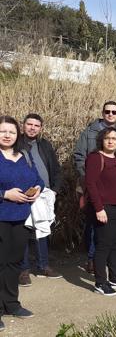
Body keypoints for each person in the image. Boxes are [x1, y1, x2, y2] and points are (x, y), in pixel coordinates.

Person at [74, 101, 116, 273]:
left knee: (111, 229)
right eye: (107, 111)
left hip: (115, 187)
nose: (111, 114)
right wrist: (88, 177)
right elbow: (79, 155)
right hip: (95, 183)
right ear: (103, 112)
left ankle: (111, 260)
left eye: (114, 112)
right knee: (96, 223)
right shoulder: (90, 131)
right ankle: (93, 259)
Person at [0, 115, 45, 328]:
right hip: (1, 217)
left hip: (21, 218)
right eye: (3, 131)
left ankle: (12, 304)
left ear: (17, 134)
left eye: (11, 131)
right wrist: (4, 194)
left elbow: (39, 180)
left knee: (15, 262)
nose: (7, 135)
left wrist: (37, 190)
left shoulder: (24, 155)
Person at [85, 127, 116, 296]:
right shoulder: (95, 158)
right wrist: (99, 209)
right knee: (103, 246)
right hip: (105, 208)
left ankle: (115, 278)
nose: (111, 141)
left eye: (114, 138)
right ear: (102, 140)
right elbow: (90, 185)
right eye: (107, 138)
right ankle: (100, 282)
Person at [19, 114, 63, 287]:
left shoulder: (45, 145)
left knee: (42, 229)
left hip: (44, 195)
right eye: (29, 124)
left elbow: (56, 170)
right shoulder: (16, 144)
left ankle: (43, 265)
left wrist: (54, 190)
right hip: (23, 196)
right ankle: (23, 270)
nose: (32, 128)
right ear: (23, 125)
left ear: (41, 128)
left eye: (36, 125)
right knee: (23, 231)